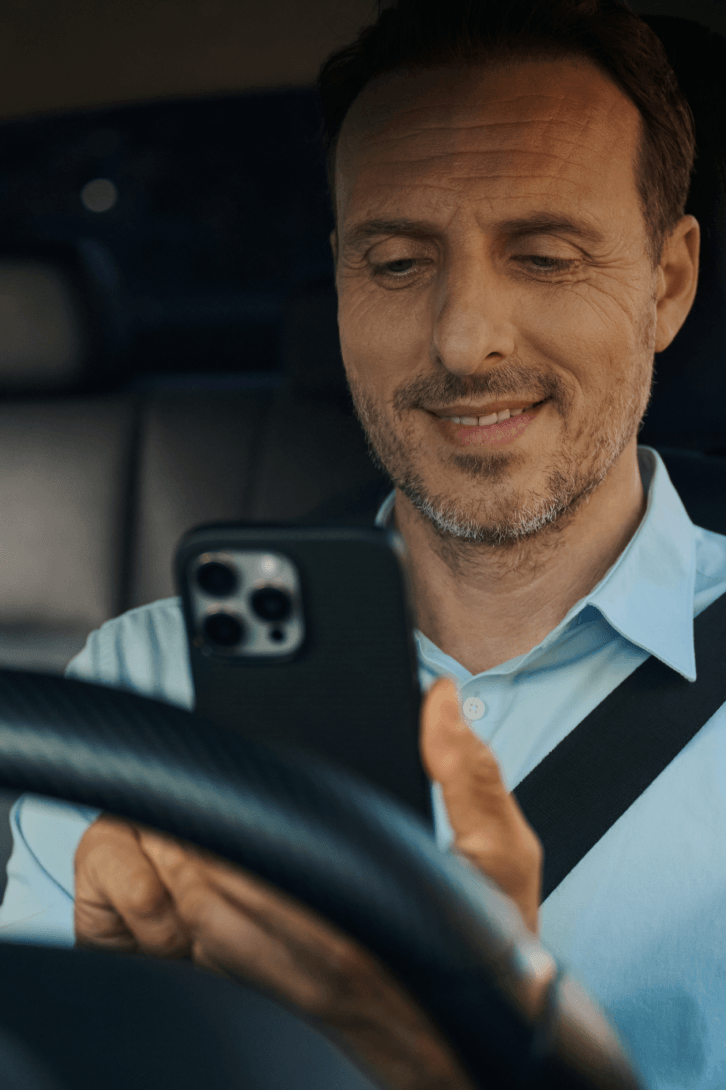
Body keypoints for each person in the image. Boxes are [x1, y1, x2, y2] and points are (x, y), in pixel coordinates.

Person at [1, 0, 723, 1086]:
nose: (464, 337)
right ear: (339, 277)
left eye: (544, 255)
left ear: (667, 283)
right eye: (395, 263)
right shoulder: (138, 693)